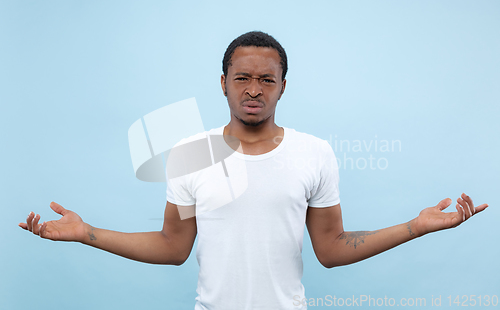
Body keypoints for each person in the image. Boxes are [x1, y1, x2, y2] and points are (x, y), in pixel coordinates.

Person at [20, 31, 488, 310]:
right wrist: (88, 234)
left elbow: (331, 248)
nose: (254, 89)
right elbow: (172, 246)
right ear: (223, 83)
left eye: (267, 79)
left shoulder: (315, 153)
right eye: (242, 77)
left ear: (283, 87)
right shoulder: (189, 152)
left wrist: (415, 227)